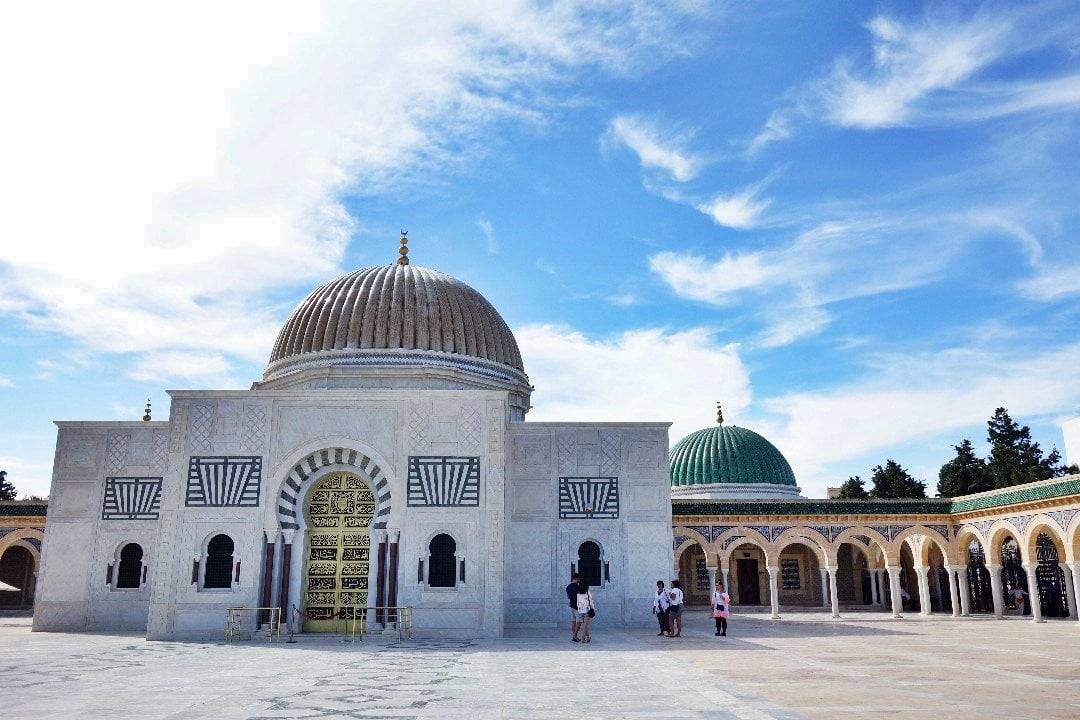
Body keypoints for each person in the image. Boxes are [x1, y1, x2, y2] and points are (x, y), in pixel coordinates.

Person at [566, 572, 581, 642]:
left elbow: (568, 596)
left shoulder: (568, 587)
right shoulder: (577, 587)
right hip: (577, 607)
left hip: (571, 605)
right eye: (578, 579)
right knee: (579, 621)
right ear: (577, 579)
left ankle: (574, 636)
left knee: (573, 620)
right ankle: (575, 636)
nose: (579, 580)